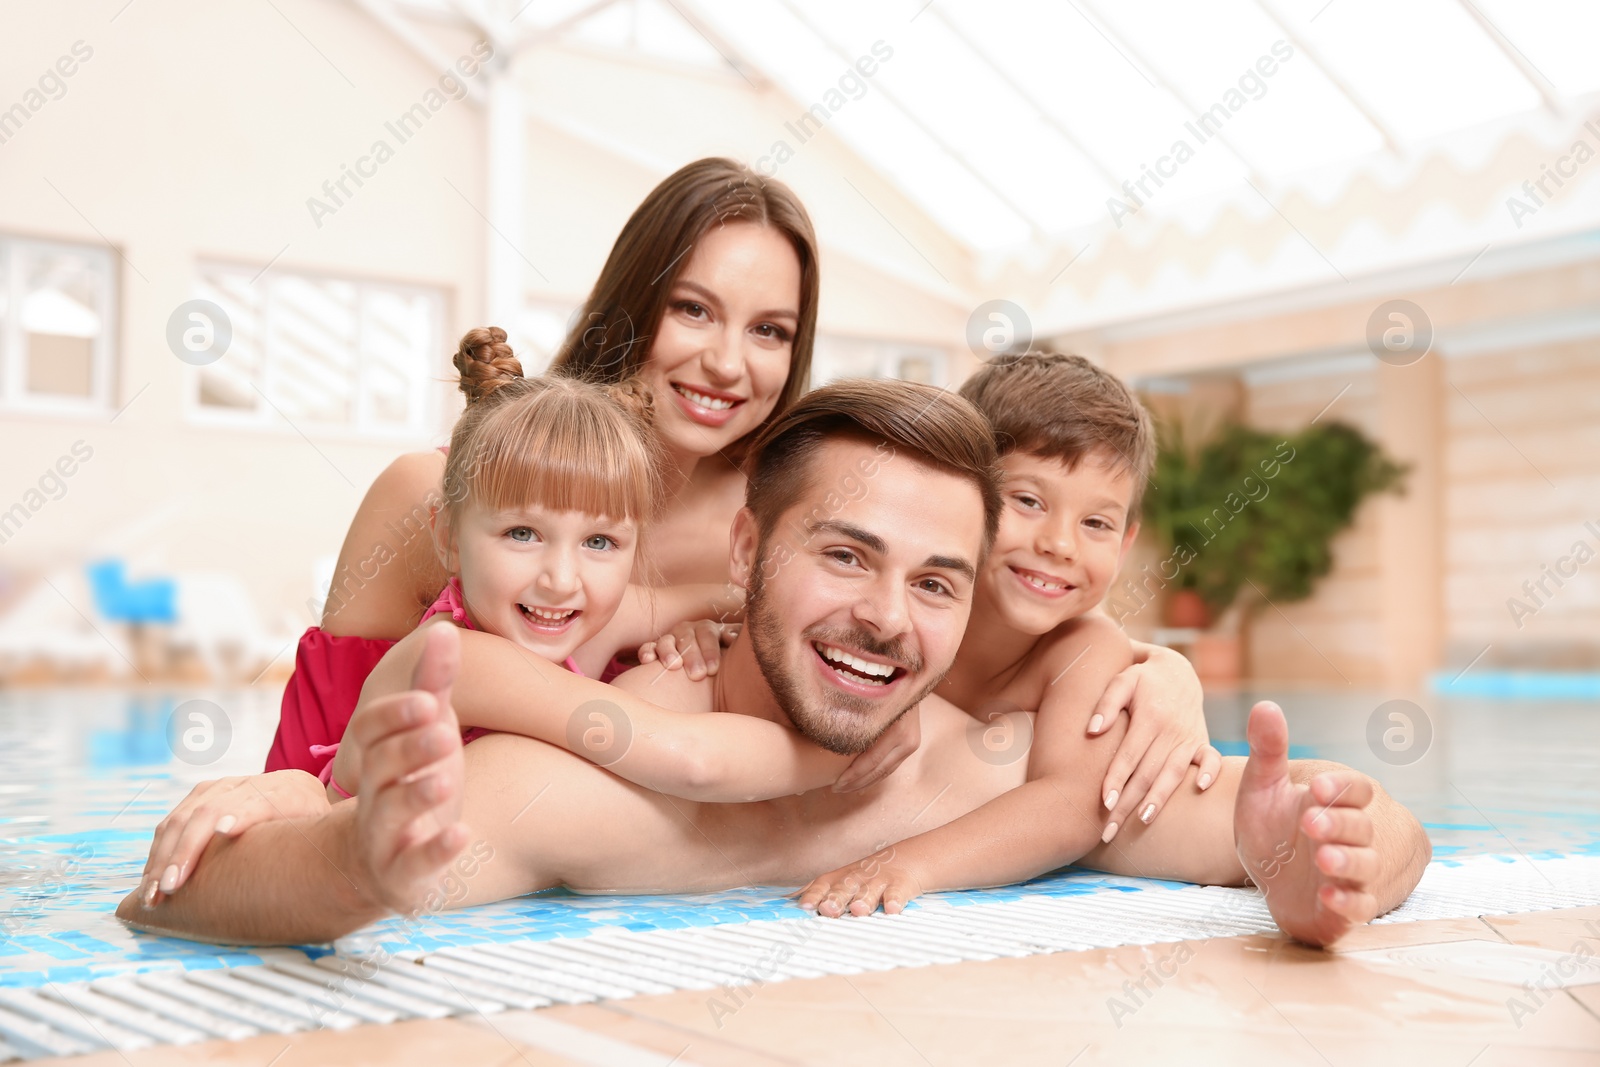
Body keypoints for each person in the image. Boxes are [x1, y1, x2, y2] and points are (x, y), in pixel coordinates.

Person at [117, 380, 1430, 949]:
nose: (886, 619)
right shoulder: (616, 773)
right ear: (746, 548)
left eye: (934, 582)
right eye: (845, 557)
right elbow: (180, 897)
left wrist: (1306, 863)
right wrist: (354, 857)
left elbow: (1371, 825)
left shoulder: (992, 775)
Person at [794, 355, 1411, 945]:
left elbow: (1071, 807)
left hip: (1204, 818)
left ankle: (1333, 882)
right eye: (1028, 501)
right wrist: (692, 614)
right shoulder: (894, 609)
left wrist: (911, 866)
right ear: (964, 501)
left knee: (1350, 806)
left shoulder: (1084, 648)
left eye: (1097, 523)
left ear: (1125, 543)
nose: (1060, 543)